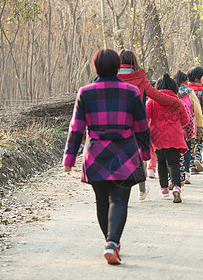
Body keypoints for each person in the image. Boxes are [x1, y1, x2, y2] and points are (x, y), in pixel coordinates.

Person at [63, 49, 151, 265]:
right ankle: (112, 242)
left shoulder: (85, 92)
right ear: (117, 67)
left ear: (95, 68)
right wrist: (146, 152)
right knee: (119, 199)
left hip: (96, 155)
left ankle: (110, 243)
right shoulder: (131, 92)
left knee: (102, 201)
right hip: (125, 154)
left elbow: (76, 128)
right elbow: (142, 126)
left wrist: (69, 158)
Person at [117, 49, 182, 200]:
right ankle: (141, 187)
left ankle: (120, 189)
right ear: (134, 61)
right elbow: (156, 95)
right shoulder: (139, 77)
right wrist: (175, 101)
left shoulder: (112, 77)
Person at [146, 74, 190, 203]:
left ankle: (164, 189)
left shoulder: (152, 102)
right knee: (174, 163)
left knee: (161, 162)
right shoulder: (178, 102)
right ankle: (176, 186)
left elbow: (145, 117)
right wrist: (176, 125)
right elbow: (186, 120)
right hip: (175, 136)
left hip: (158, 136)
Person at [175, 71, 203, 184]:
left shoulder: (172, 91)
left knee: (175, 150)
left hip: (174, 124)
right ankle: (186, 173)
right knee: (187, 149)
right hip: (188, 124)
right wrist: (200, 125)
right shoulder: (189, 92)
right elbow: (197, 109)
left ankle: (177, 174)